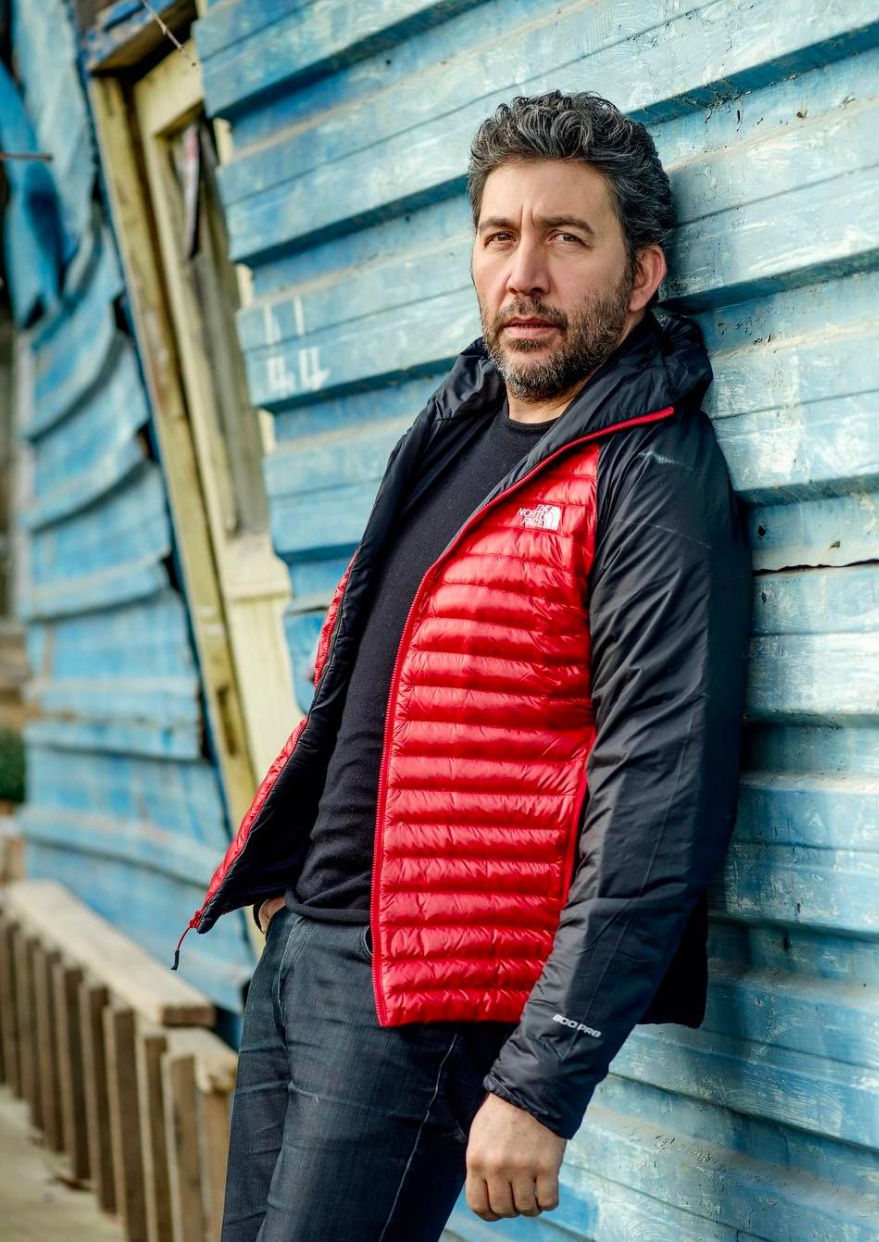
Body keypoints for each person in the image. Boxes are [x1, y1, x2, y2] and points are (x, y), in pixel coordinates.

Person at [171, 89, 753, 1240]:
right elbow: (370, 682)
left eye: (565, 238)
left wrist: (542, 1077)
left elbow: (658, 792)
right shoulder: (458, 421)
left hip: (423, 1002)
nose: (523, 273)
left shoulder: (650, 477)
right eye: (499, 235)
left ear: (641, 275)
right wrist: (292, 882)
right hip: (308, 948)